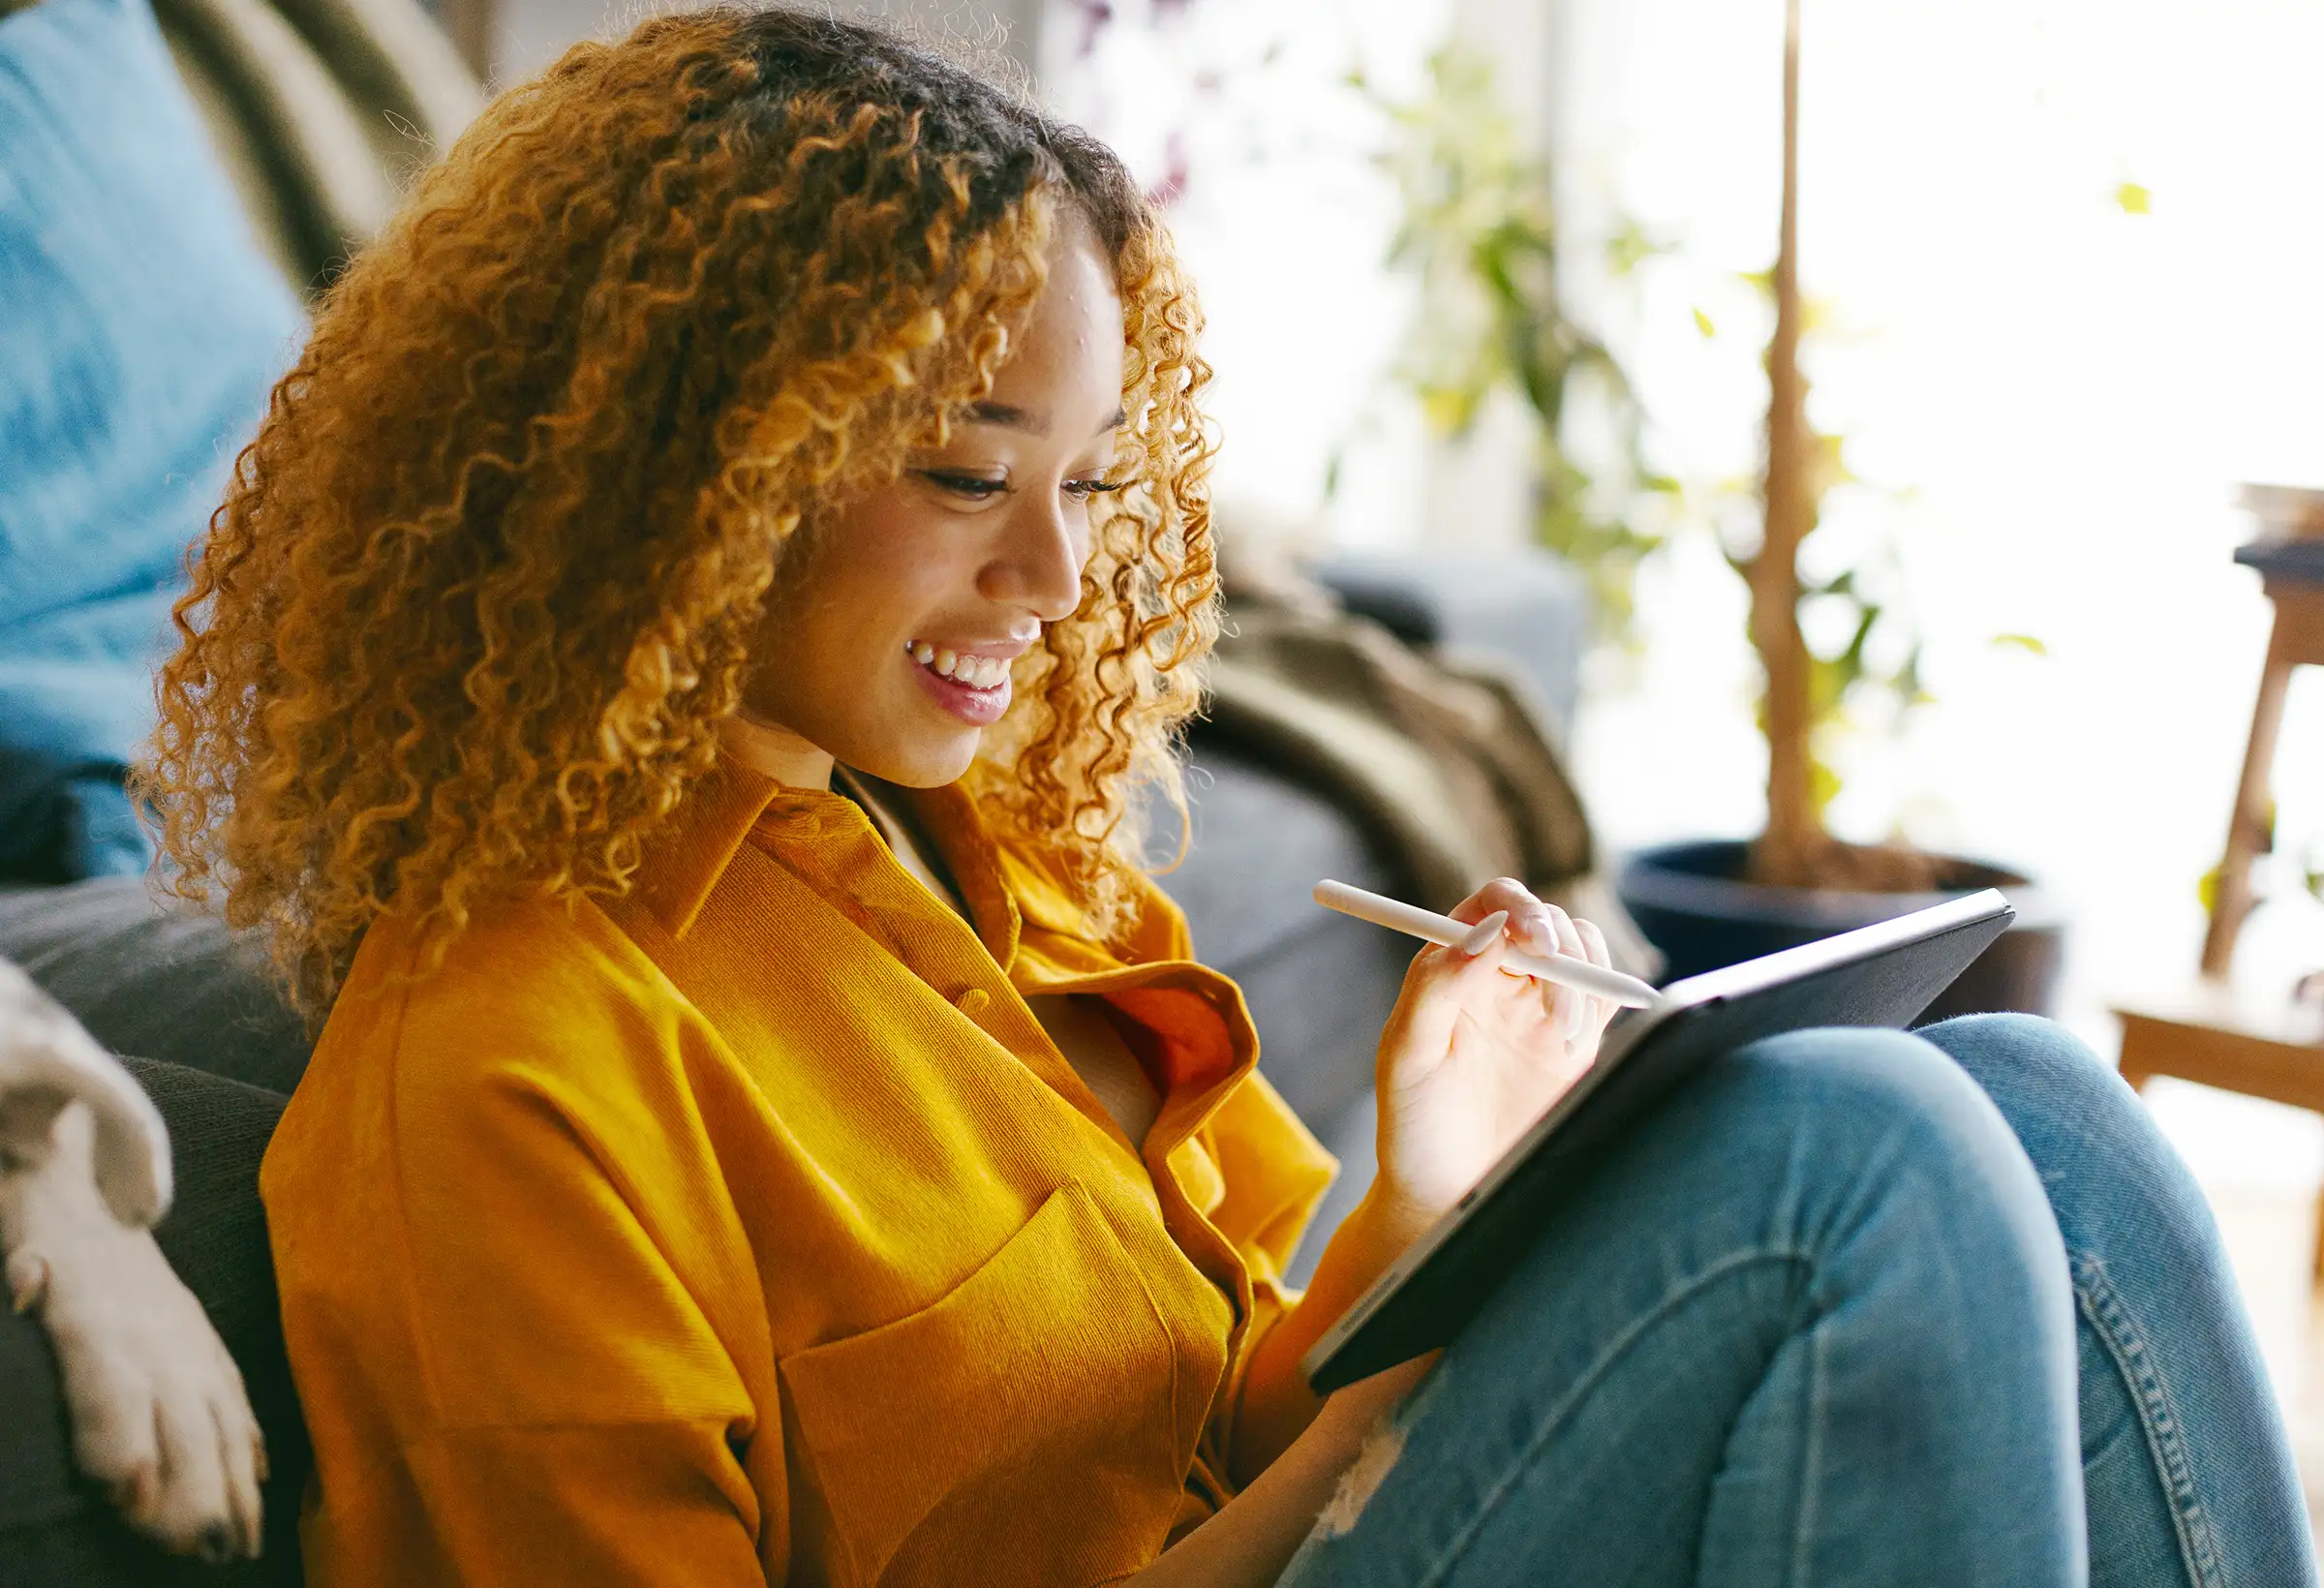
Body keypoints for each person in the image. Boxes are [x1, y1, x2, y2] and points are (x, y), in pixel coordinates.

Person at [140, 9, 2314, 1585]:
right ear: (689, 483)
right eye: (971, 476)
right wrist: (1395, 1420)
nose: (1058, 576)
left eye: (1085, 484)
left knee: (2042, 1109)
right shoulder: (503, 1068)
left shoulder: (985, 862)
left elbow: (1209, 1402)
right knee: (1857, 1148)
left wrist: (1431, 1201)